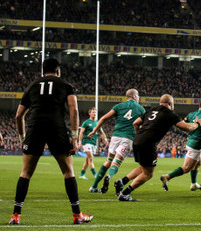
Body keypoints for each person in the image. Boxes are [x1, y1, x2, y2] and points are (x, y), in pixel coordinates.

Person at [9, 58, 93, 225]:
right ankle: (77, 215)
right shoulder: (65, 85)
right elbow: (74, 110)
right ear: (58, 70)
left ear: (43, 71)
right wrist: (75, 138)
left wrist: (21, 138)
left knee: (25, 172)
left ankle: (15, 216)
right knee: (68, 172)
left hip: (35, 129)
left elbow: (19, 115)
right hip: (56, 129)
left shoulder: (32, 85)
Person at [116, 95, 201, 201]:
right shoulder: (170, 114)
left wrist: (140, 134)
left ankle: (122, 181)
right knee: (148, 174)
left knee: (144, 167)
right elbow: (187, 127)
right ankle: (125, 193)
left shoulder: (151, 110)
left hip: (137, 140)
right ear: (170, 104)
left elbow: (135, 123)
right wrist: (198, 123)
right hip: (148, 143)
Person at [88, 89, 146, 194]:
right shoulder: (141, 109)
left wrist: (94, 130)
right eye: (138, 96)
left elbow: (104, 118)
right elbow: (143, 125)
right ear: (134, 96)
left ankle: (94, 186)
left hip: (115, 136)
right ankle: (109, 176)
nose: (138, 98)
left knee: (108, 160)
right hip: (128, 138)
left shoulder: (119, 106)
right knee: (116, 162)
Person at [159, 99, 201, 191]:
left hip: (191, 141)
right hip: (196, 144)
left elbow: (183, 124)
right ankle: (167, 177)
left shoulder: (191, 114)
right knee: (186, 168)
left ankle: (194, 184)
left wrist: (191, 131)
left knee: (198, 163)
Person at [78, 108, 108, 180]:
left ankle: (81, 175)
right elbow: (81, 133)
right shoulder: (86, 122)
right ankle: (95, 175)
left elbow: (101, 132)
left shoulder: (97, 122)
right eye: (93, 112)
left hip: (93, 143)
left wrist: (105, 139)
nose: (94, 113)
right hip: (87, 142)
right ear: (89, 113)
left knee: (87, 160)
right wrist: (79, 142)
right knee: (91, 158)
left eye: (95, 112)